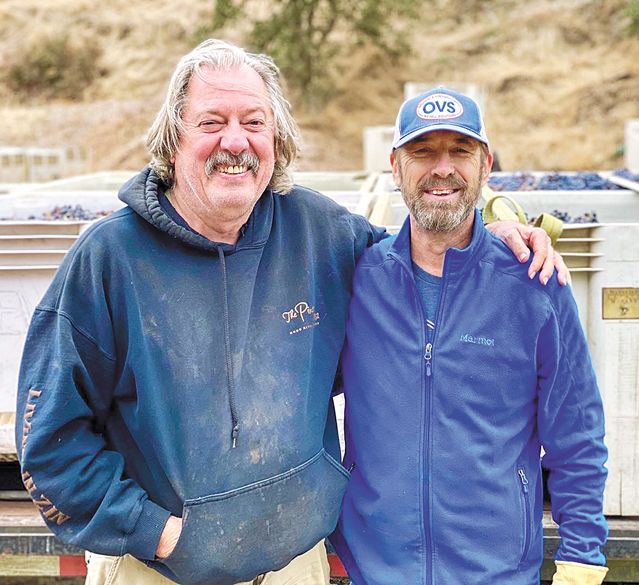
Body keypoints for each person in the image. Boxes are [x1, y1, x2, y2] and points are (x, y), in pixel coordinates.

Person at [15, 41, 563, 585]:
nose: (236, 141)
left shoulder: (321, 234)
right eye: (212, 122)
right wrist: (157, 532)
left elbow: (422, 258)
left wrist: (496, 228)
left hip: (295, 565)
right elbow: (50, 442)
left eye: (254, 121)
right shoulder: (109, 259)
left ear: (276, 140)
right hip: (158, 570)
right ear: (173, 139)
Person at [331, 88, 609, 585]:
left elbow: (577, 431)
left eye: (460, 151)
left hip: (497, 573)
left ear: (486, 165)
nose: (443, 168)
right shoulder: (359, 278)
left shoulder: (534, 284)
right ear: (395, 168)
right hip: (372, 571)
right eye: (423, 152)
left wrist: (582, 560)